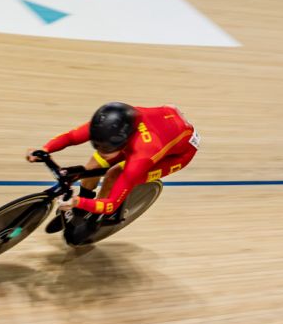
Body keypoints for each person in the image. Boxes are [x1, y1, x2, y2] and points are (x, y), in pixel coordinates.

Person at [27, 102, 200, 238]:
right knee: (93, 165)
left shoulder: (144, 153)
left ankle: (94, 221)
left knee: (113, 175)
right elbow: (71, 137)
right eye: (98, 144)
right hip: (162, 124)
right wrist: (45, 149)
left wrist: (76, 201)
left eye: (107, 147)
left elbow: (111, 205)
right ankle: (79, 212)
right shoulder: (108, 122)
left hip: (177, 154)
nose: (102, 150)